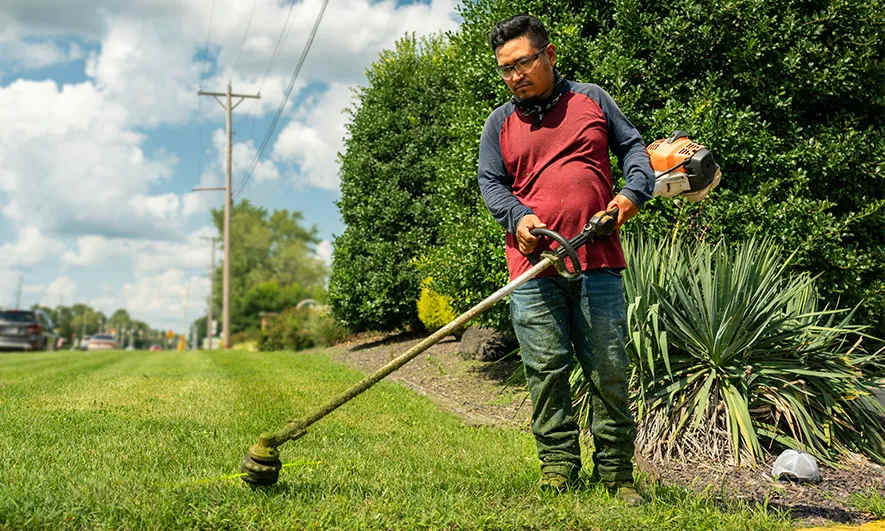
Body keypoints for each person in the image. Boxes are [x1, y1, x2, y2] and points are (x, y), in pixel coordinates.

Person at [477, 14, 654, 505]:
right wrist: (518, 218)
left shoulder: (592, 100)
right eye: (505, 69)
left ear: (549, 55)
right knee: (547, 369)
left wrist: (631, 195)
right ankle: (558, 469)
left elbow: (633, 149)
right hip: (534, 270)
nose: (515, 75)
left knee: (609, 367)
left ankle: (617, 475)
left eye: (523, 63)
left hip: (597, 262)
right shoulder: (500, 123)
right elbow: (491, 183)